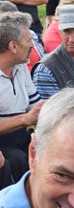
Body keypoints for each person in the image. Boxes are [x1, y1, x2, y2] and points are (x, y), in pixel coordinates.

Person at [0, 11, 43, 188]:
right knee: (17, 159)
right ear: (13, 46)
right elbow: (29, 116)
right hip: (3, 143)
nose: (32, 45)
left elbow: (36, 105)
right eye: (28, 40)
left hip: (22, 136)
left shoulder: (21, 68)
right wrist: (25, 119)